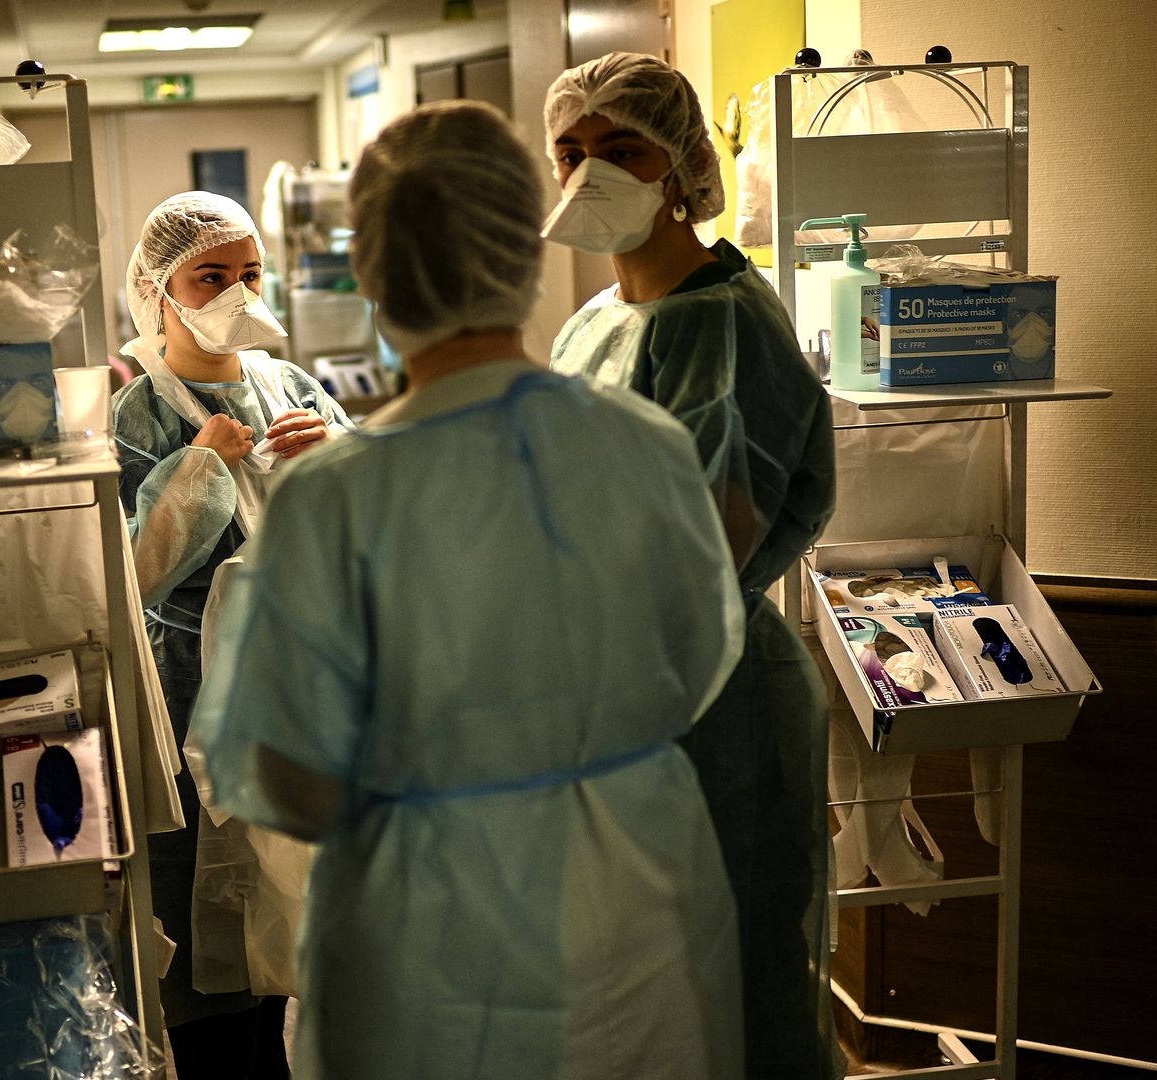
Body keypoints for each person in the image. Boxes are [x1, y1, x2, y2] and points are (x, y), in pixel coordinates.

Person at [190, 100, 751, 1080]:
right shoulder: (648, 449)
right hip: (637, 901)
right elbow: (702, 658)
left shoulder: (334, 498)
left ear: (373, 272)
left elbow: (276, 772)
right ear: (522, 258)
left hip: (424, 942)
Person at [543, 51, 838, 1079]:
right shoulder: (593, 322)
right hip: (615, 690)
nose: (592, 172)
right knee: (636, 987)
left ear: (682, 170)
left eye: (623, 150)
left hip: (709, 700)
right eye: (571, 151)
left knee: (733, 979)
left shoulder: (722, 325)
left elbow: (705, 552)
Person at [112, 190, 353, 1078]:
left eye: (250, 274)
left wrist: (335, 453)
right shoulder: (140, 414)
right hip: (189, 688)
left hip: (295, 680)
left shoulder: (293, 388)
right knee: (203, 898)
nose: (237, 293)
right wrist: (202, 461)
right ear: (158, 291)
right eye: (210, 277)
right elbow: (137, 571)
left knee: (289, 889)